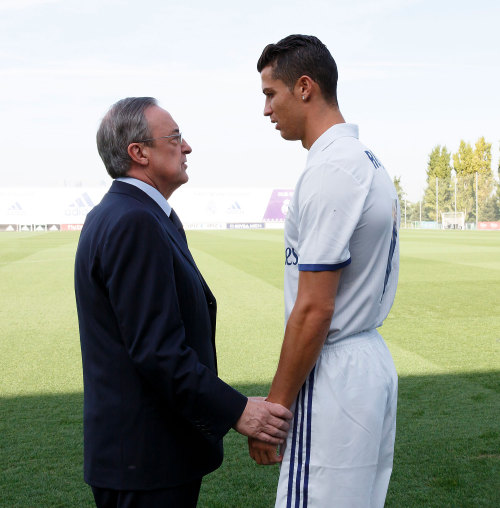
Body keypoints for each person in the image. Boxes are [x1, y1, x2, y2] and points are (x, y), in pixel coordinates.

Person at [74, 97, 292, 508]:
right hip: (145, 462)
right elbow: (158, 351)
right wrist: (239, 411)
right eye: (174, 137)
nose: (187, 146)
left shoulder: (135, 214)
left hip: (147, 458)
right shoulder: (134, 220)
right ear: (138, 153)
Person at [249, 35, 400, 508]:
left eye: (271, 94)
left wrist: (273, 410)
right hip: (365, 360)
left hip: (333, 370)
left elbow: (314, 309)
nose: (267, 110)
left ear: (305, 87)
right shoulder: (366, 161)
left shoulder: (333, 169)